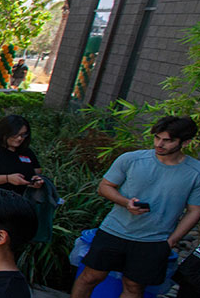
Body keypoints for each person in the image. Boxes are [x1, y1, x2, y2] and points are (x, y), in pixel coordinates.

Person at [71, 116, 200, 298]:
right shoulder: (131, 159)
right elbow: (105, 187)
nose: (159, 144)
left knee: (134, 287)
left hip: (154, 240)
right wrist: (126, 202)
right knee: (90, 277)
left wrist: (171, 241)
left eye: (167, 140)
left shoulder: (195, 172)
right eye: (157, 138)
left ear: (185, 142)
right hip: (114, 230)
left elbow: (195, 210)